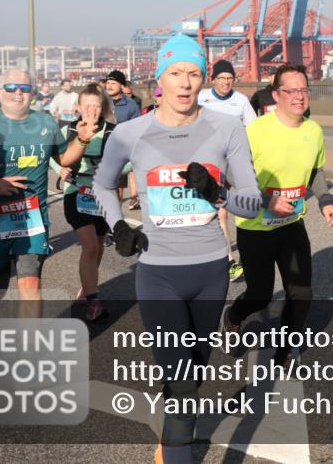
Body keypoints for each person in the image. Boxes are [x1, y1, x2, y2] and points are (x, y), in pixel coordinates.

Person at [93, 34, 263, 464]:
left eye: (194, 73)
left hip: (210, 270)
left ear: (203, 79)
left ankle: (170, 431)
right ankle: (177, 453)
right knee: (184, 379)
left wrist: (218, 193)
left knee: (192, 374)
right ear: (159, 81)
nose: (185, 83)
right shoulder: (131, 133)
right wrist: (118, 227)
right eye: (176, 73)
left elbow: (252, 200)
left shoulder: (226, 128)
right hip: (158, 270)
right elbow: (101, 183)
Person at [0, 70, 99, 320]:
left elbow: (63, 158)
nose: (18, 93)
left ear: (33, 93)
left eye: (24, 88)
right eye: (11, 87)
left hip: (31, 218)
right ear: (0, 92)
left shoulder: (45, 123)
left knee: (30, 283)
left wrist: (83, 139)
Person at [224, 63, 333, 368]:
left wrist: (325, 198)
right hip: (255, 228)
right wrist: (266, 200)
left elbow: (316, 170)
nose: (299, 97)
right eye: (292, 91)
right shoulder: (255, 131)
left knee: (301, 293)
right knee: (260, 295)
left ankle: (286, 350)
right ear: (277, 94)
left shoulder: (313, 131)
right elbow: (232, 176)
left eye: (304, 90)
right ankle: (234, 316)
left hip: (291, 225)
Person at [51, 84, 119, 322]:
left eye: (96, 106)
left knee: (99, 245)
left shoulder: (113, 131)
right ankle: (93, 301)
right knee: (89, 245)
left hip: (102, 195)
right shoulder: (68, 129)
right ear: (78, 107)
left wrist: (114, 171)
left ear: (103, 108)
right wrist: (61, 170)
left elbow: (128, 161)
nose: (91, 111)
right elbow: (53, 156)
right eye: (87, 106)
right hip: (76, 192)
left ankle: (87, 288)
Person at [197, 60, 255, 282]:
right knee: (207, 211)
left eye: (230, 79)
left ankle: (229, 260)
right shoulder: (201, 97)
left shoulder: (241, 101)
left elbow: (252, 127)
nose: (226, 83)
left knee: (223, 210)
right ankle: (213, 256)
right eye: (222, 78)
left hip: (230, 161)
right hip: (205, 162)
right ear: (213, 80)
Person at [105, 70, 140, 208]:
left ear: (121, 86)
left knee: (117, 189)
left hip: (119, 152)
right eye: (108, 82)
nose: (109, 86)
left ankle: (115, 223)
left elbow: (136, 128)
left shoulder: (130, 105)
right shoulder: (100, 102)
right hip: (99, 151)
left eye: (113, 83)